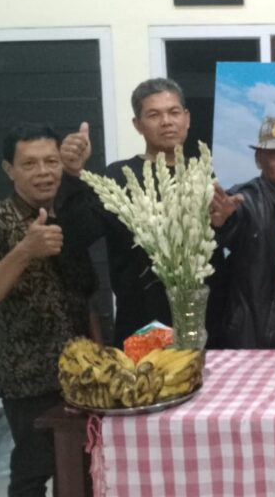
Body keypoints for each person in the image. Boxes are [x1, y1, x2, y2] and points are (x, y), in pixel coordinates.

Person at [0, 124, 97, 497]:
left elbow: (86, 294)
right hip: (28, 375)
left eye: (51, 161)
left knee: (85, 466)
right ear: (9, 169)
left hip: (84, 372)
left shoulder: (69, 215)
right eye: (30, 164)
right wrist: (24, 251)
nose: (43, 172)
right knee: (33, 472)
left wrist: (101, 353)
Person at [63, 78, 230, 346]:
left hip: (203, 326)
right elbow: (79, 234)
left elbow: (218, 251)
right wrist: (73, 174)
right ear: (137, 125)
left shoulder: (203, 174)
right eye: (154, 115)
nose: (166, 122)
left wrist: (225, 224)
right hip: (141, 329)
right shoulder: (119, 176)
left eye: (174, 112)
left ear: (187, 118)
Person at [211, 116, 275, 348]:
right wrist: (220, 224)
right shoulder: (242, 199)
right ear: (259, 160)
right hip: (256, 334)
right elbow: (227, 228)